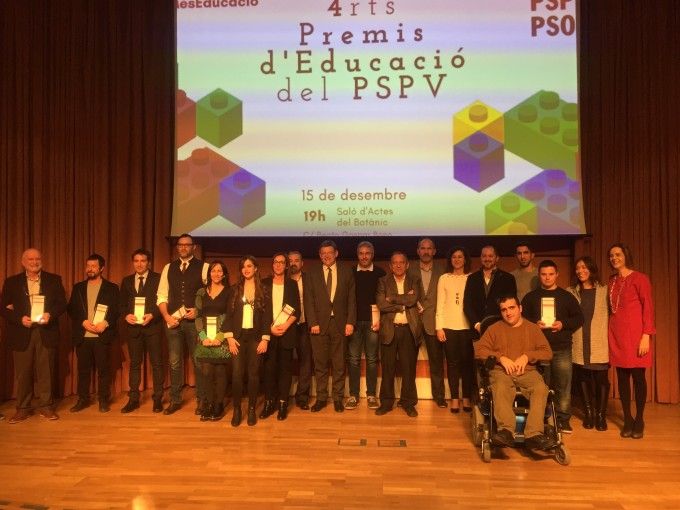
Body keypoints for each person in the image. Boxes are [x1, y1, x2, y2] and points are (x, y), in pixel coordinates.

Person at [474, 295, 554, 450]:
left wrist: (527, 356)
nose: (508, 313)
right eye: (504, 310)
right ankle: (506, 431)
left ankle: (534, 434)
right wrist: (501, 358)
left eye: (512, 308)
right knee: (500, 387)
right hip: (501, 372)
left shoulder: (533, 329)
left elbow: (547, 352)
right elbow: (479, 350)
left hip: (527, 372)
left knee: (540, 388)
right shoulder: (494, 329)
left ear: (520, 308)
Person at [1, 248, 67, 423]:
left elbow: (62, 304)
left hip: (46, 331)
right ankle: (23, 409)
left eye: (37, 258)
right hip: (21, 332)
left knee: (46, 372)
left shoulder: (54, 280)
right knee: (23, 373)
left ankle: (46, 407)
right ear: (23, 262)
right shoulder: (11, 282)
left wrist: (50, 315)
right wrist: (19, 319)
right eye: (30, 259)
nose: (34, 262)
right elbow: (3, 308)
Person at [521, 260, 583, 433]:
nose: (547, 277)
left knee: (563, 386)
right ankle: (541, 418)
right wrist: (534, 324)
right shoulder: (530, 297)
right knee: (540, 387)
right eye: (543, 274)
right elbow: (522, 320)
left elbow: (579, 318)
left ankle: (562, 420)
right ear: (539, 275)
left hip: (562, 348)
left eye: (550, 274)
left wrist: (563, 324)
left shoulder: (567, 296)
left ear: (557, 275)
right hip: (539, 350)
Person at [156, 233, 209, 415]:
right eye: (180, 245)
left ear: (194, 247)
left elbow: (211, 295)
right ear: (177, 247)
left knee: (199, 361)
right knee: (174, 362)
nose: (183, 247)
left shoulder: (205, 267)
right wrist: (166, 316)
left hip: (195, 323)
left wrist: (198, 311)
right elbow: (161, 295)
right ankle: (175, 400)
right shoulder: (168, 268)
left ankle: (202, 400)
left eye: (187, 244)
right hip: (173, 323)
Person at [608, 243, 655, 439]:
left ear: (626, 255)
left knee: (638, 378)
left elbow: (648, 308)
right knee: (622, 379)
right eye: (611, 256)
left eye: (618, 254)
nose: (614, 258)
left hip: (636, 336)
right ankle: (627, 419)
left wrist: (646, 335)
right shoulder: (611, 281)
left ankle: (640, 419)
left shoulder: (640, 278)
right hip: (617, 335)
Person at [304, 240, 356, 413]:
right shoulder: (311, 273)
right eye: (323, 253)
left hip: (340, 324)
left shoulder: (347, 271)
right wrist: (313, 322)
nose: (326, 256)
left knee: (339, 364)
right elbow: (309, 300)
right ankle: (321, 398)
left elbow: (351, 299)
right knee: (320, 364)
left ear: (336, 253)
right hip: (318, 325)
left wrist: (350, 322)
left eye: (329, 252)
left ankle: (338, 398)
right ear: (320, 256)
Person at [222, 255, 271, 427]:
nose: (246, 269)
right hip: (238, 338)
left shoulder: (263, 290)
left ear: (256, 268)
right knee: (236, 375)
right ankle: (237, 410)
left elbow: (267, 316)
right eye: (243, 266)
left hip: (256, 338)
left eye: (249, 266)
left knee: (253, 375)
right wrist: (229, 338)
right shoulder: (234, 289)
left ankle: (251, 410)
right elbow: (228, 315)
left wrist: (265, 339)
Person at [68, 253, 120, 413]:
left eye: (93, 266)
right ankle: (83, 399)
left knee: (103, 370)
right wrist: (82, 322)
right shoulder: (78, 287)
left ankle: (103, 400)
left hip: (102, 336)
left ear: (101, 268)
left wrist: (106, 322)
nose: (90, 269)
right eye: (88, 266)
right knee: (83, 370)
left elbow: (117, 310)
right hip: (83, 336)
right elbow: (71, 309)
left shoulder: (111, 288)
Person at [375, 251, 422, 418]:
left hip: (409, 329)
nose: (398, 265)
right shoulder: (383, 281)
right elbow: (381, 304)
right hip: (389, 329)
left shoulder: (414, 279)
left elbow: (413, 299)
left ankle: (408, 403)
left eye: (401, 262)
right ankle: (386, 403)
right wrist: (402, 304)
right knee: (388, 369)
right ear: (390, 265)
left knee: (408, 369)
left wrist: (392, 298)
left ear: (407, 265)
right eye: (395, 262)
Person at [567, 256, 610, 430]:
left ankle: (601, 415)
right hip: (579, 340)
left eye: (584, 267)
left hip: (599, 341)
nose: (580, 271)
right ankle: (589, 413)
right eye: (578, 268)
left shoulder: (604, 290)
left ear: (592, 269)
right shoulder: (571, 291)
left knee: (601, 380)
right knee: (583, 378)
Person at [119, 248, 164, 413]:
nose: (139, 264)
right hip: (134, 330)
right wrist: (126, 316)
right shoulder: (126, 281)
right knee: (135, 364)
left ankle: (158, 398)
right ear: (133, 263)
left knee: (157, 364)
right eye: (136, 261)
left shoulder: (158, 279)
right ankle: (133, 399)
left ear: (148, 262)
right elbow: (121, 304)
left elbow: (164, 301)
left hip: (153, 327)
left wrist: (153, 315)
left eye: (143, 261)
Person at [261, 253, 300, 421]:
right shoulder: (264, 284)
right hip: (268, 333)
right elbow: (259, 311)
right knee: (269, 370)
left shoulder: (292, 284)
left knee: (285, 370)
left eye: (282, 262)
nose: (278, 265)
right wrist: (269, 329)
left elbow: (296, 310)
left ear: (286, 266)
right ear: (272, 265)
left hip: (286, 333)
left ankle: (283, 403)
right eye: (275, 262)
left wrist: (285, 326)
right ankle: (269, 402)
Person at [435, 247, 475, 413]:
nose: (457, 260)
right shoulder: (444, 278)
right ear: (450, 260)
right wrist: (439, 327)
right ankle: (454, 399)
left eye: (460, 257)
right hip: (448, 327)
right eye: (454, 257)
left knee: (467, 364)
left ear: (465, 259)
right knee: (452, 364)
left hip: (467, 327)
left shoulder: (472, 278)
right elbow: (440, 304)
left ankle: (466, 398)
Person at [407, 238, 446, 407]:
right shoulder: (409, 269)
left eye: (429, 248)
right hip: (413, 320)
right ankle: (408, 397)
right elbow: (405, 292)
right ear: (418, 251)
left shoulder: (443, 270)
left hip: (434, 321)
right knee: (409, 362)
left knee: (436, 362)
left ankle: (439, 396)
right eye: (422, 248)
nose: (426, 251)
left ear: (434, 251)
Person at [347, 241, 385, 410]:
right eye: (361, 253)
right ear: (357, 255)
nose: (364, 256)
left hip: (373, 323)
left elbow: (383, 299)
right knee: (353, 359)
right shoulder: (349, 273)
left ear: (372, 255)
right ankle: (353, 395)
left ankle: (371, 395)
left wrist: (380, 320)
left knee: (372, 360)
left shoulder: (380, 273)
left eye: (367, 253)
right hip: (354, 322)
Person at [194, 260, 231, 421]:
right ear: (209, 273)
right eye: (213, 270)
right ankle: (208, 404)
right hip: (205, 338)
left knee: (220, 371)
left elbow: (231, 316)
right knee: (206, 371)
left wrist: (220, 337)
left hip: (221, 337)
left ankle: (218, 405)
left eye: (219, 271)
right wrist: (203, 337)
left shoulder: (230, 292)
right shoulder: (201, 292)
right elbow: (197, 315)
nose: (216, 273)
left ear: (224, 274)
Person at [463, 245, 517, 337]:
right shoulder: (472, 278)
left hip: (501, 329)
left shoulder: (508, 278)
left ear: (497, 258)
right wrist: (477, 324)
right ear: (480, 258)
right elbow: (467, 305)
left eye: (490, 256)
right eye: (484, 256)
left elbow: (511, 304)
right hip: (477, 330)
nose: (487, 259)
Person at [288, 250, 313, 410]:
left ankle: (302, 396)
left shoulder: (310, 279)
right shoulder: (281, 279)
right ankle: (282, 395)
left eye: (296, 260)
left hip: (304, 324)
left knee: (305, 361)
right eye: (290, 260)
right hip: (285, 326)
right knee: (284, 361)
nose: (293, 263)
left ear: (302, 263)